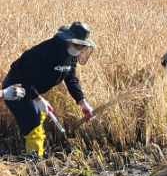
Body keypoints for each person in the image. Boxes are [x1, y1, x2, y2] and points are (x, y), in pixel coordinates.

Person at [2, 22, 97, 158]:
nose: (80, 49)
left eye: (83, 46)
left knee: (39, 116)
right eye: (78, 45)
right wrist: (38, 99)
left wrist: (82, 102)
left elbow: (71, 78)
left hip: (31, 90)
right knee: (33, 124)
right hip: (16, 88)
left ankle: (33, 155)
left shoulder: (71, 56)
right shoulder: (46, 52)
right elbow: (21, 74)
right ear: (68, 40)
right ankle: (33, 160)